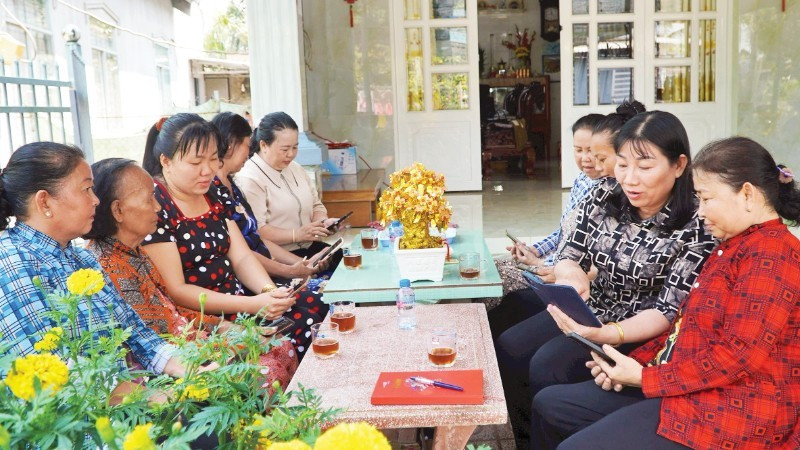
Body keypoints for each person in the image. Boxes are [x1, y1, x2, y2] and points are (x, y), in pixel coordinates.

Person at [532, 137, 800, 449]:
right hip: (684, 385)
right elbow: (683, 329)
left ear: (748, 194)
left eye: (707, 198)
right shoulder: (734, 244)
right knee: (550, 406)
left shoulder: (773, 255)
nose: (700, 212)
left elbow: (737, 356)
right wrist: (627, 364)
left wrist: (644, 378)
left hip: (730, 411)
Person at [495, 111, 717, 448]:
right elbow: (569, 252)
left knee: (547, 367)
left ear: (678, 165)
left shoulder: (697, 224)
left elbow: (667, 311)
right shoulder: (605, 194)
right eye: (623, 164)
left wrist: (606, 333)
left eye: (645, 167)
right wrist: (571, 276)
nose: (630, 179)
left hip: (640, 329)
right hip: (589, 309)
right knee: (511, 346)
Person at [85, 158, 298, 388]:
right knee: (268, 364)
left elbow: (176, 311)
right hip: (177, 364)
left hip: (193, 341)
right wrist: (234, 341)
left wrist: (233, 329)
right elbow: (155, 339)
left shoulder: (132, 251)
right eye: (149, 199)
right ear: (118, 210)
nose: (158, 207)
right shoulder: (109, 266)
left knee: (279, 343)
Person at [0, 142, 199, 382]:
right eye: (86, 189)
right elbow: (53, 375)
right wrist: (151, 397)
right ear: (45, 202)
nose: (95, 200)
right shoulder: (12, 262)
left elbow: (137, 334)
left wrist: (193, 369)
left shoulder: (80, 259)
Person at [141, 113, 319, 359]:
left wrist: (268, 291)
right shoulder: (156, 205)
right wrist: (254, 304)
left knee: (317, 304)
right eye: (196, 162)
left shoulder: (211, 192)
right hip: (204, 317)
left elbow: (242, 256)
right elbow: (177, 290)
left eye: (214, 159)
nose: (207, 170)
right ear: (166, 161)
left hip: (241, 298)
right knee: (302, 328)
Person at [210, 111, 328, 318]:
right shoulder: (234, 183)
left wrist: (297, 266)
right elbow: (247, 248)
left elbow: (254, 239)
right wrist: (289, 271)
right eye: (248, 145)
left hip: (270, 268)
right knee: (319, 305)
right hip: (255, 277)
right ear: (230, 145)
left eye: (295, 147)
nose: (249, 153)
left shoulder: (231, 185)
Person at [483, 113, 603, 313]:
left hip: (565, 272)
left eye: (591, 150)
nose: (585, 158)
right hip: (555, 261)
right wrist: (534, 250)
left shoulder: (609, 193)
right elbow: (564, 231)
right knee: (490, 267)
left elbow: (590, 262)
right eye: (578, 150)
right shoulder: (582, 180)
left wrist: (540, 262)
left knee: (495, 280)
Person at [235, 112, 342, 268]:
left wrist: (322, 223)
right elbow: (257, 230)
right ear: (263, 145)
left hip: (309, 247)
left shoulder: (296, 168)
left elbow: (316, 205)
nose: (291, 154)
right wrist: (296, 234)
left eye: (295, 147)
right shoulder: (250, 178)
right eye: (285, 149)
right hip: (278, 258)